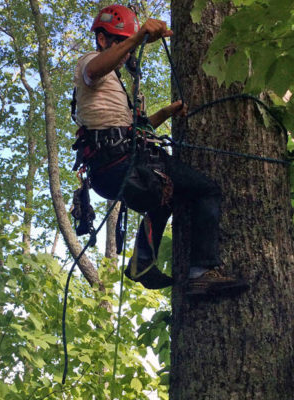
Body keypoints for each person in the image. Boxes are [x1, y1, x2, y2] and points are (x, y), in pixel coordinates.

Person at [72, 4, 247, 296]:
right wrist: (138, 36)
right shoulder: (91, 63)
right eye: (120, 43)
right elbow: (94, 70)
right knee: (207, 190)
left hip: (117, 164)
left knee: (167, 196)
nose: (127, 53)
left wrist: (166, 112)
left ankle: (142, 261)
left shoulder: (112, 88)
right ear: (103, 40)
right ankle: (202, 271)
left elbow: (133, 129)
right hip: (121, 163)